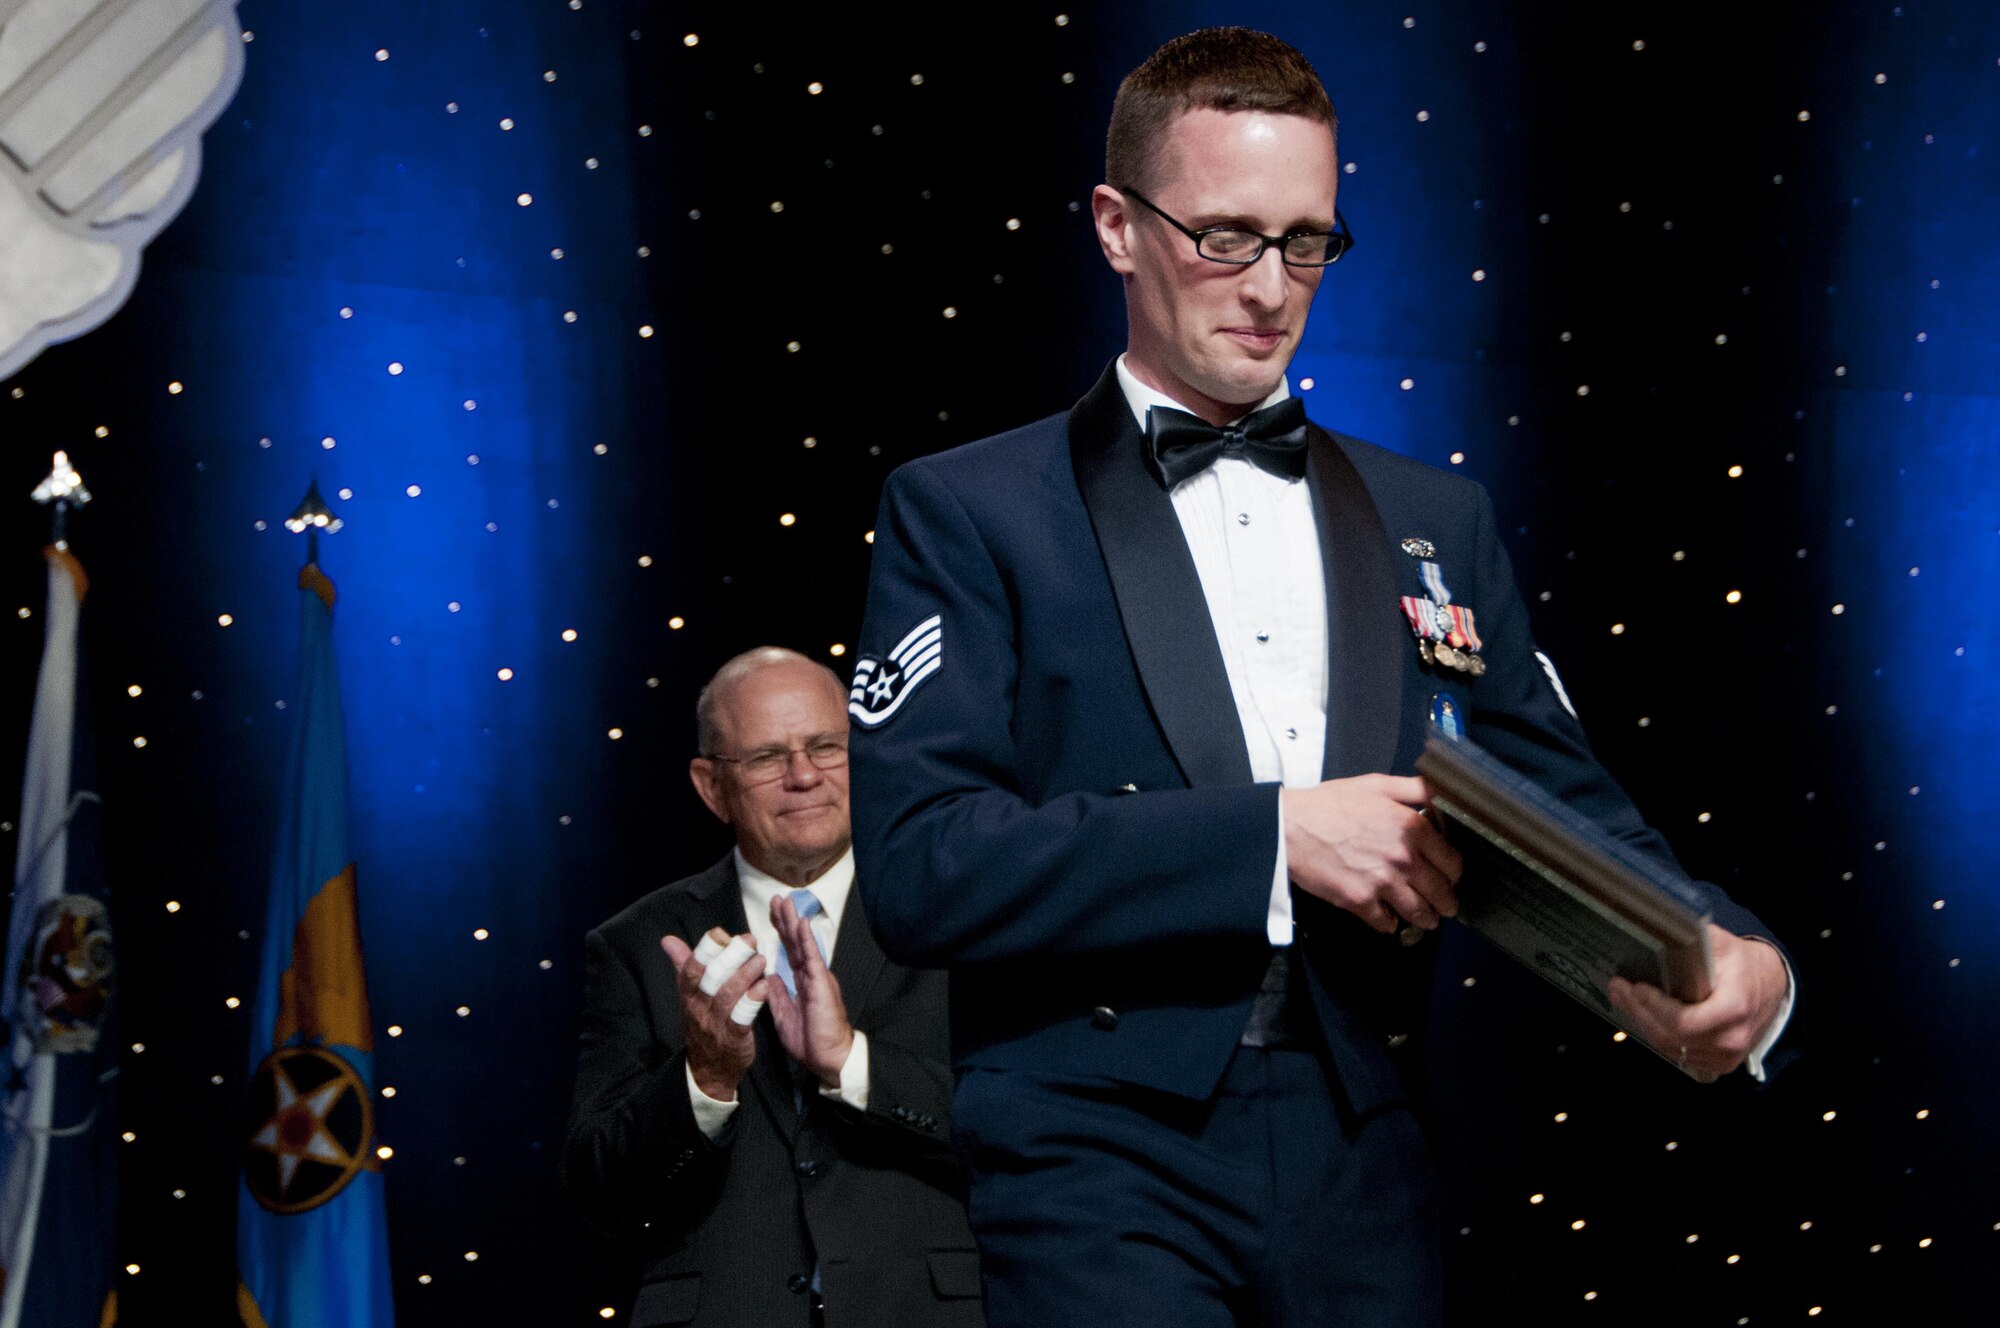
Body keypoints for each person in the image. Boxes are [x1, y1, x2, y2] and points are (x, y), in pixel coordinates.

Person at [845, 27, 1793, 1328]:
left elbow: (1568, 801)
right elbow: (923, 868)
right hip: (1094, 1146)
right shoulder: (971, 510)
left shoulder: (1431, 518)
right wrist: (1276, 833)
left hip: (1369, 1135)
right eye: (1225, 235)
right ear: (1117, 227)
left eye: (1308, 241)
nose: (1272, 286)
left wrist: (1736, 953)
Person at [562, 648, 984, 1328]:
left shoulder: (952, 909)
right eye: (765, 757)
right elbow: (600, 1191)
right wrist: (703, 1078)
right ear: (710, 786)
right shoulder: (639, 943)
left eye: (826, 746)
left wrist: (851, 1063)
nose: (804, 776)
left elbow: (1019, 1129)